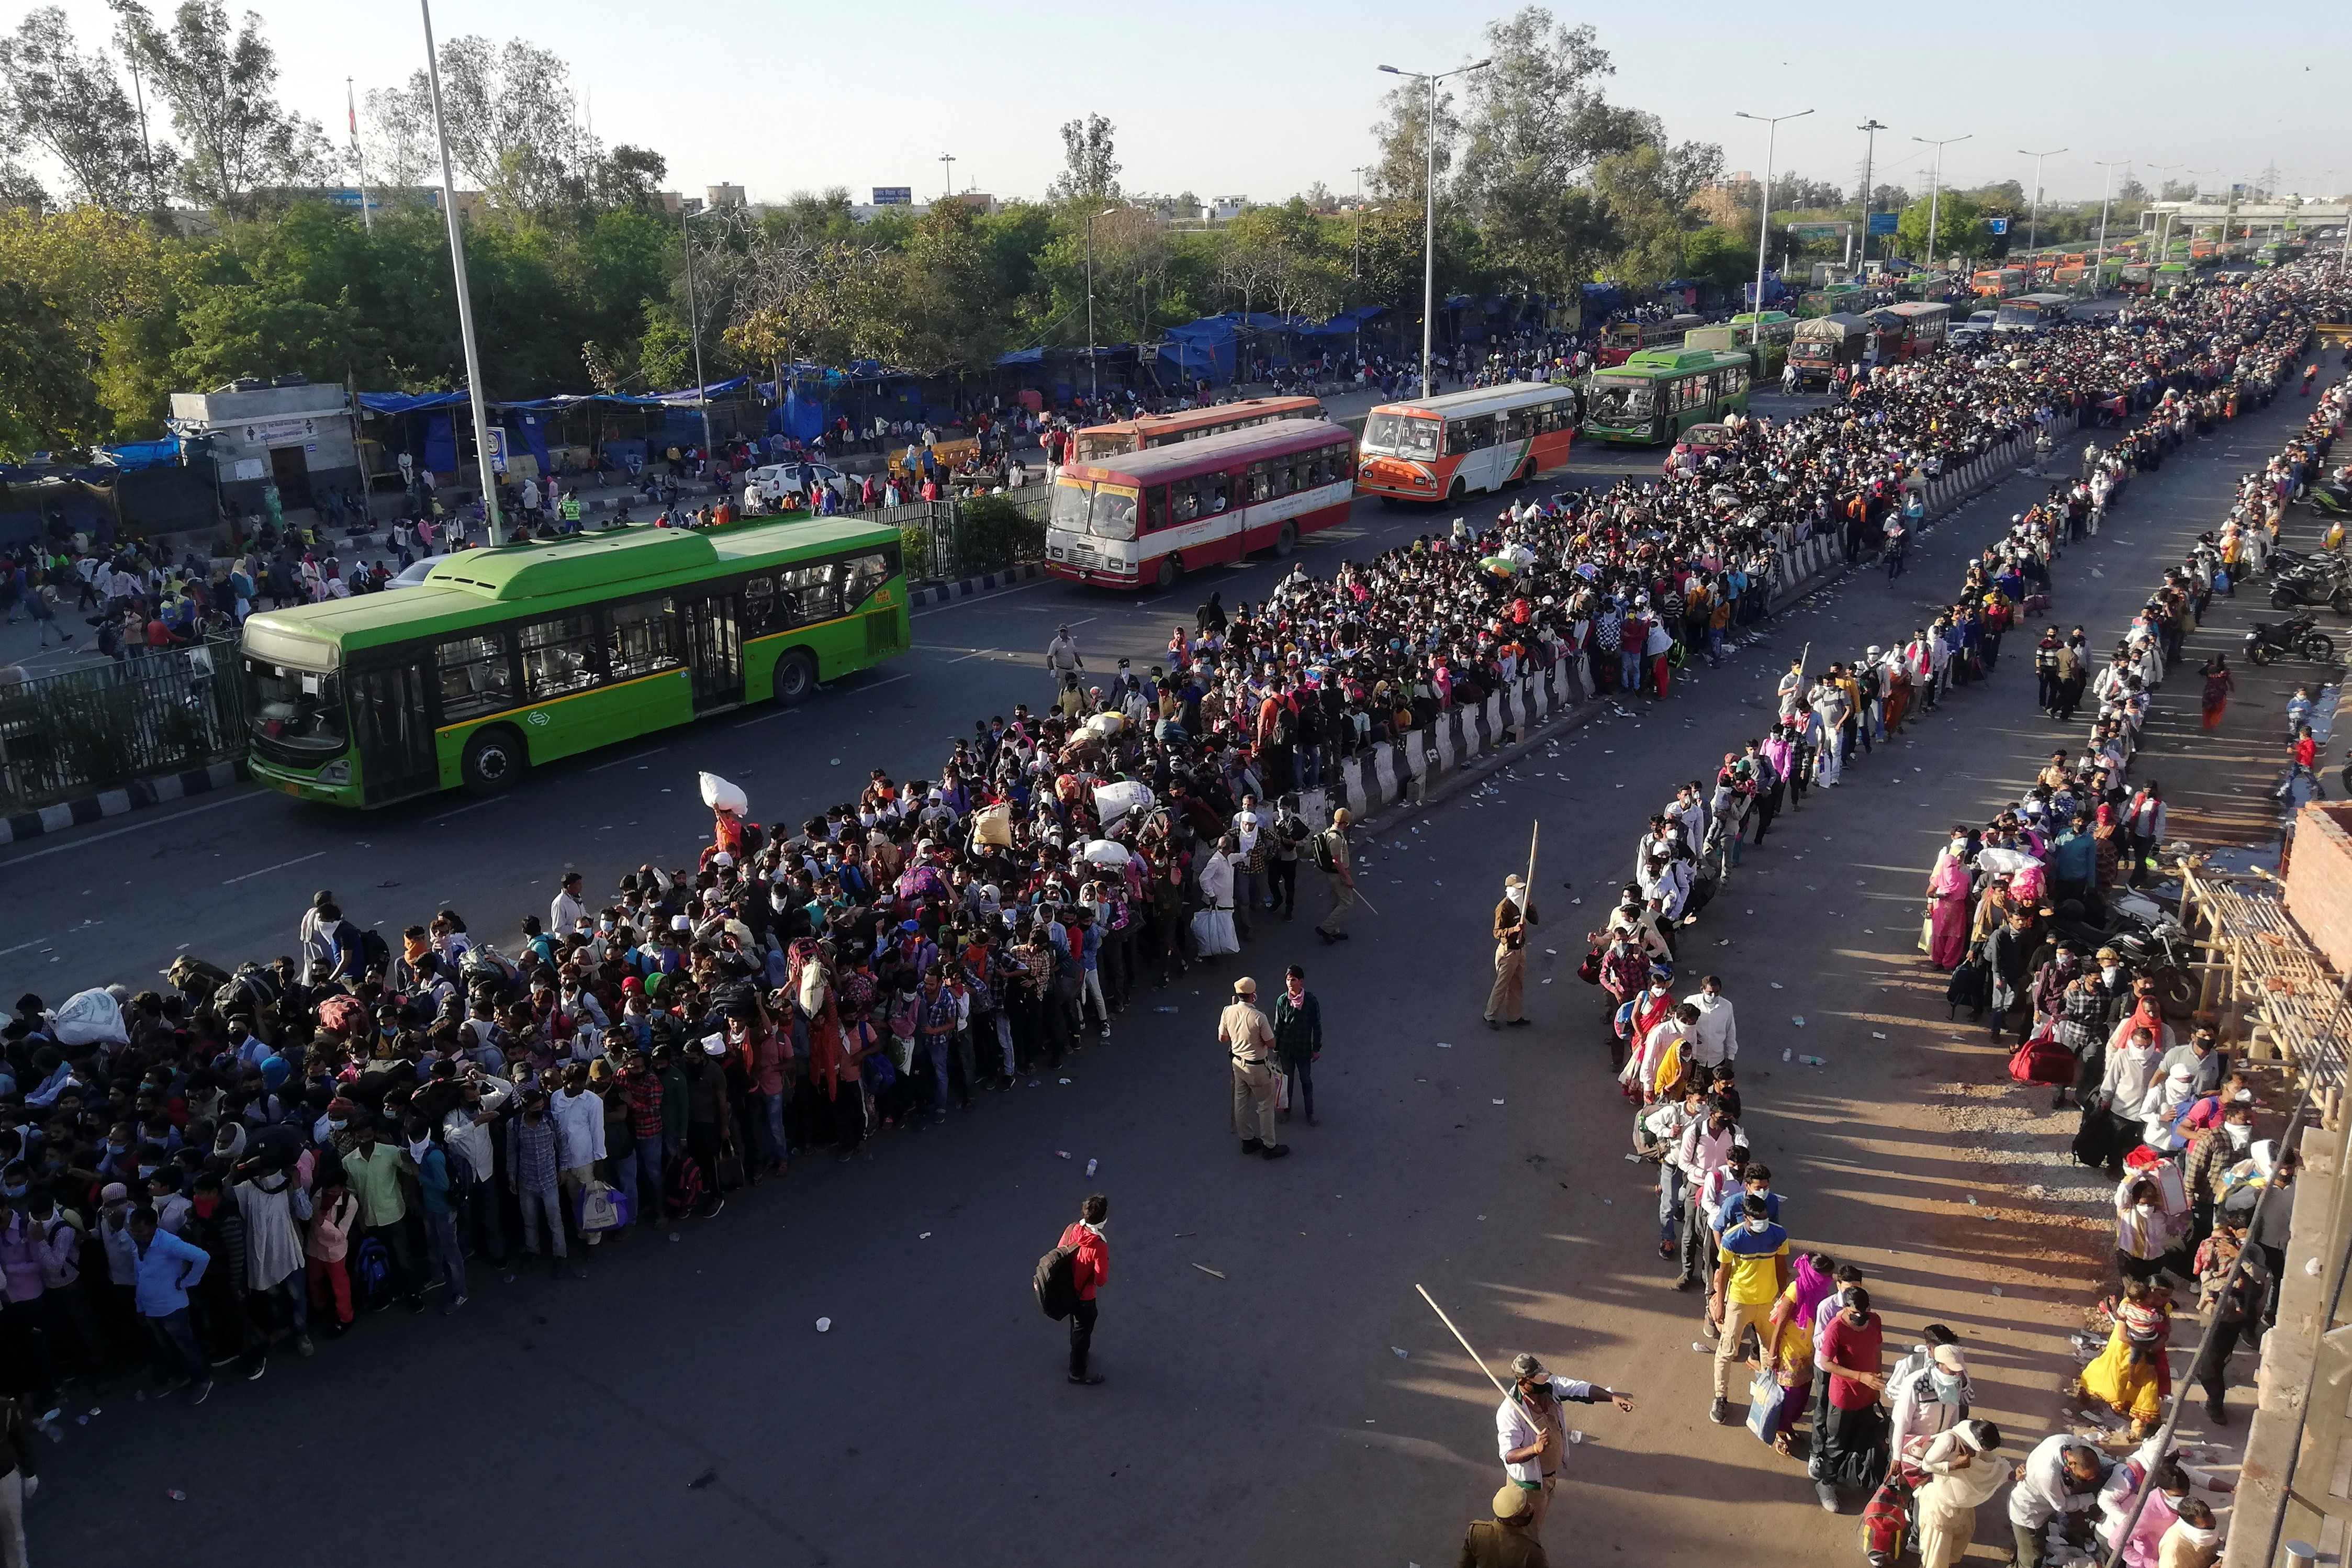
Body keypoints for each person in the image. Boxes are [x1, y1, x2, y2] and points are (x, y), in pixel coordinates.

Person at [1494, 1351, 1635, 1535]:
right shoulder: (1510, 1412)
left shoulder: (1549, 1387)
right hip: (1529, 1488)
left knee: (1535, 1528)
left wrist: (1612, 1397)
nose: (1544, 1383)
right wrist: (1535, 1449)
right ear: (1522, 1382)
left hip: (1548, 1479)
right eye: (1537, 1382)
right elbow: (1509, 1455)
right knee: (1525, 1535)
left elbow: (1579, 1389)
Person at [1707, 1192, 1790, 1426]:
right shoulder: (1732, 1239)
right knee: (1726, 1351)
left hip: (1767, 1301)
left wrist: (1783, 1298)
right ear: (1746, 1218)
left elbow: (1781, 1267)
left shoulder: (1778, 1234)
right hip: (1739, 1301)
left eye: (1765, 1217)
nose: (1763, 1222)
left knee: (1769, 1350)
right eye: (1758, 1218)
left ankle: (1766, 1394)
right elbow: (1723, 1272)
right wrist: (1720, 1304)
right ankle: (1720, 1397)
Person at [1912, 1420, 2011, 1568]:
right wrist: (1954, 1465)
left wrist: (2011, 1474)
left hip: (1961, 1503)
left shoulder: (1974, 1433)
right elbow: (1927, 1465)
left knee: (1962, 1535)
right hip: (1941, 1504)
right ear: (1978, 1442)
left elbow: (1992, 1463)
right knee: (1937, 1548)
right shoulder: (1949, 1441)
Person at [2008, 1433, 2112, 1568]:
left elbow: (2092, 1456)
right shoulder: (2048, 1476)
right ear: (2071, 1465)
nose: (2086, 1481)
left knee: (2033, 1547)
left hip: (2043, 1503)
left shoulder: (2067, 1442)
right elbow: (2061, 1506)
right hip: (2030, 1514)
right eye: (2083, 1477)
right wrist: (2091, 1498)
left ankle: (2017, 1556)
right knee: (2032, 1558)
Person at [1219, 977, 1286, 1159]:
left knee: (1241, 1102)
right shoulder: (1258, 1017)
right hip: (1257, 1067)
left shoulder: (1228, 1011)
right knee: (1265, 1105)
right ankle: (1269, 1146)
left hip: (1238, 1064)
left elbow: (1223, 1038)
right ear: (1253, 995)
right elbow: (1271, 1043)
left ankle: (1247, 1140)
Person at [1057, 1193, 1110, 1386]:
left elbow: (1059, 1252)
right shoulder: (1099, 1246)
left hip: (1068, 1290)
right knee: (1083, 1332)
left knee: (1076, 1326)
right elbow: (1101, 1280)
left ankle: (1076, 1352)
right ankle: (1077, 1373)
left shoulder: (1072, 1229)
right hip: (1085, 1298)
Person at [1273, 964, 1323, 1126]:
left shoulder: (1311, 1001)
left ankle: (1310, 1113)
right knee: (1287, 1082)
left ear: (1301, 981)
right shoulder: (1282, 1001)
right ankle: (1287, 1111)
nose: (1290, 983)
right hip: (1286, 1050)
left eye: (1293, 980)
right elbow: (1278, 1026)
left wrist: (1316, 1049)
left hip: (1304, 1050)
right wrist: (1276, 1048)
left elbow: (1317, 1026)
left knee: (1306, 1080)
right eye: (1288, 980)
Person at [1485, 874, 1537, 1029]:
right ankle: (1490, 1015)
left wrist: (1530, 905)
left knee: (1517, 984)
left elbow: (1535, 920)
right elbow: (1497, 932)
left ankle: (1514, 1017)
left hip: (1520, 950)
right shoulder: (1504, 907)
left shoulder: (1521, 904)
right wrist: (1514, 930)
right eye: (1518, 889)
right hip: (1508, 952)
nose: (1520, 892)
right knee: (1502, 984)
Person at [1457, 1484, 1548, 1568]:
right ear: (1514, 1522)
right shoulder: (1532, 1551)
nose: (1532, 1507)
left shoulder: (1475, 1532)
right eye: (1527, 1509)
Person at [1315, 808, 1356, 944]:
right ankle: (1326, 928)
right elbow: (1336, 861)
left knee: (1336, 902)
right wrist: (1347, 877)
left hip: (1334, 874)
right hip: (1337, 875)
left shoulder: (1331, 831)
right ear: (1345, 823)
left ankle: (1333, 931)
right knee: (1347, 902)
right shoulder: (1336, 838)